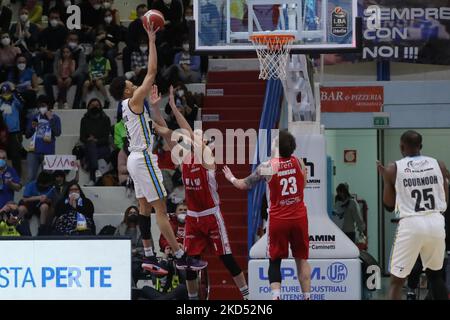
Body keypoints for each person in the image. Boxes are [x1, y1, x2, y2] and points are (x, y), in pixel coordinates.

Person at [108, 23, 207, 275]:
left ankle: (150, 256)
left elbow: (161, 130)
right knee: (160, 209)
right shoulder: (132, 100)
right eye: (130, 82)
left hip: (134, 158)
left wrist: (183, 135)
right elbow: (152, 72)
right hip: (142, 158)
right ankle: (181, 255)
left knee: (143, 208)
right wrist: (152, 39)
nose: (134, 82)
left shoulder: (127, 108)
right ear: (126, 90)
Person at [152, 86, 249, 300]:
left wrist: (176, 116)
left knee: (227, 259)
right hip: (194, 218)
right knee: (189, 263)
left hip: (212, 216)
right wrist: (157, 108)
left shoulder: (207, 158)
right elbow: (169, 135)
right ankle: (193, 300)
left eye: (197, 138)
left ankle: (247, 296)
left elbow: (181, 133)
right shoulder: (185, 159)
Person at [223, 130, 311, 300]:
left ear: (276, 146)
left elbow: (244, 185)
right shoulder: (298, 161)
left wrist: (231, 178)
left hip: (279, 219)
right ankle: (307, 296)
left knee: (275, 260)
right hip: (299, 217)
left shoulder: (267, 167)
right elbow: (304, 184)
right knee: (301, 259)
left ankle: (276, 296)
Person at [377, 130, 449, 300]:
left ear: (401, 146)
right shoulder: (439, 164)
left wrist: (386, 180)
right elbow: (445, 199)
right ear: (421, 146)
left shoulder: (394, 167)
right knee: (435, 276)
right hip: (436, 221)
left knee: (397, 280)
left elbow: (388, 206)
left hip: (411, 223)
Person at [44, 32, 87, 110]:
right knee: (47, 77)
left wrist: (71, 77)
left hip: (74, 76)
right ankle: (52, 103)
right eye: (71, 40)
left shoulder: (80, 52)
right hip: (61, 75)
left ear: (78, 41)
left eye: (75, 40)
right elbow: (55, 66)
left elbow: (81, 67)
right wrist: (58, 77)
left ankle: (76, 105)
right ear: (67, 40)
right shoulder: (59, 51)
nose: (73, 42)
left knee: (81, 76)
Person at [25, 95, 62, 182]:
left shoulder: (55, 118)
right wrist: (32, 126)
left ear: (48, 106)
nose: (41, 107)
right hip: (33, 152)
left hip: (48, 152)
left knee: (47, 178)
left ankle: (46, 196)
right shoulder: (33, 117)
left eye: (43, 105)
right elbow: (27, 135)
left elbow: (57, 133)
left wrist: (51, 119)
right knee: (31, 177)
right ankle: (28, 195)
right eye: (39, 105)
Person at [79, 98, 111, 185]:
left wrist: (96, 140)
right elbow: (82, 137)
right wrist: (88, 140)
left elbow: (106, 139)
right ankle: (96, 171)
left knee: (93, 147)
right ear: (88, 107)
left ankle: (92, 178)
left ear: (100, 107)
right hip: (89, 147)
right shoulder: (84, 120)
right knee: (91, 145)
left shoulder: (106, 119)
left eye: (97, 105)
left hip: (102, 147)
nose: (95, 107)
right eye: (92, 105)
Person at [18, 171, 57, 235]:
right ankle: (19, 226)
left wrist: (46, 200)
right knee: (21, 209)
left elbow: (51, 200)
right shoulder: (31, 185)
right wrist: (38, 197)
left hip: (41, 206)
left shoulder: (51, 187)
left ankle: (42, 229)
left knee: (45, 207)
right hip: (30, 204)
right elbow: (24, 199)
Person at [114, 205, 145, 285]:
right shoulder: (120, 228)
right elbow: (114, 245)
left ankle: (131, 289)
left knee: (134, 268)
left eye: (135, 213)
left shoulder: (143, 228)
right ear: (126, 215)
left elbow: (150, 247)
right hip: (123, 258)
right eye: (130, 213)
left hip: (138, 259)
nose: (133, 214)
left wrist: (136, 250)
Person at [0, 82, 23, 177]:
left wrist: (14, 93)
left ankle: (17, 177)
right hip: (2, 132)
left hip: (14, 132)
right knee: (0, 155)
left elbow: (22, 104)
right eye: (4, 92)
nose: (6, 94)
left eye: (7, 92)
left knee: (15, 156)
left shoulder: (15, 101)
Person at [82, 43, 111, 108]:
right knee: (86, 83)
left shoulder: (106, 61)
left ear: (103, 51)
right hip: (93, 78)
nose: (99, 51)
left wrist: (99, 77)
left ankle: (107, 100)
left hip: (102, 78)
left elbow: (106, 74)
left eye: (100, 50)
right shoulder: (91, 61)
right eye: (97, 50)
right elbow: (90, 72)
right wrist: (91, 78)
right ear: (94, 51)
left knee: (99, 82)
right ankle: (83, 101)